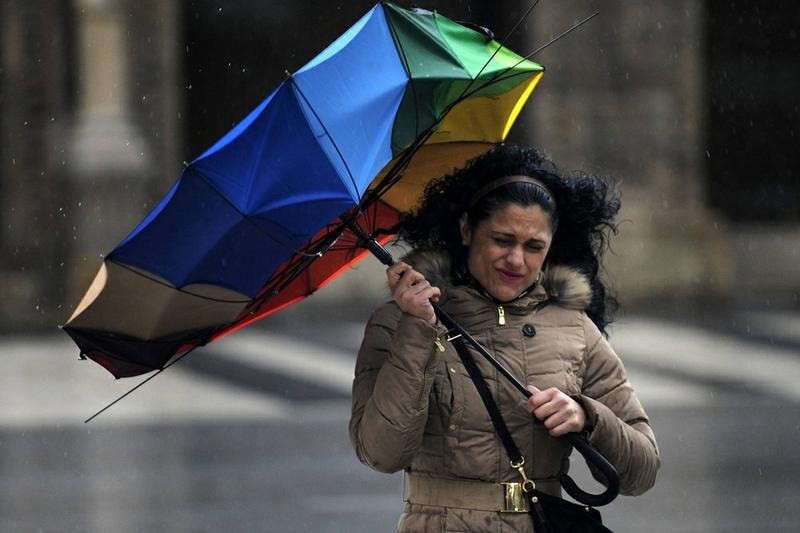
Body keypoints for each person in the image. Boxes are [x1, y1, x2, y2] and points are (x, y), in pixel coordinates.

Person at [349, 144, 660, 532]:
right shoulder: (397, 323)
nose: (516, 260)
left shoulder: (575, 329)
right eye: (502, 239)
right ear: (466, 230)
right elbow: (381, 453)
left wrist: (587, 416)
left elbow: (641, 471)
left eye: (533, 247)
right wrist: (416, 328)